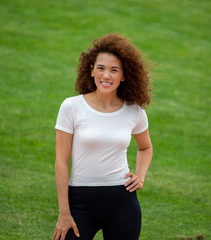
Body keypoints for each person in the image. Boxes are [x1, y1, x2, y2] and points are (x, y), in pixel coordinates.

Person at [52, 33, 153, 240]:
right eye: (101, 68)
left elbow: (145, 147)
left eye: (114, 70)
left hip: (123, 203)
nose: (106, 75)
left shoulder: (134, 111)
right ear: (91, 71)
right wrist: (64, 212)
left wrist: (140, 176)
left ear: (124, 76)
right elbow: (61, 161)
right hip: (80, 202)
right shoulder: (71, 107)